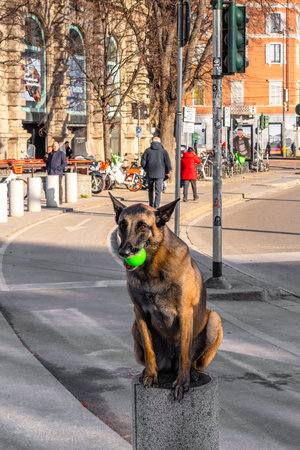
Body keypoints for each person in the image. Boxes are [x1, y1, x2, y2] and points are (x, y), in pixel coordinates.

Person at [141, 136, 171, 209]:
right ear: (160, 142)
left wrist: (146, 169)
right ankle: (156, 206)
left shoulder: (147, 151)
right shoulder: (164, 151)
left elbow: (143, 163)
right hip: (160, 173)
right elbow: (168, 163)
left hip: (150, 173)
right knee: (158, 191)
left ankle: (151, 204)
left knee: (150, 189)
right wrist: (167, 172)